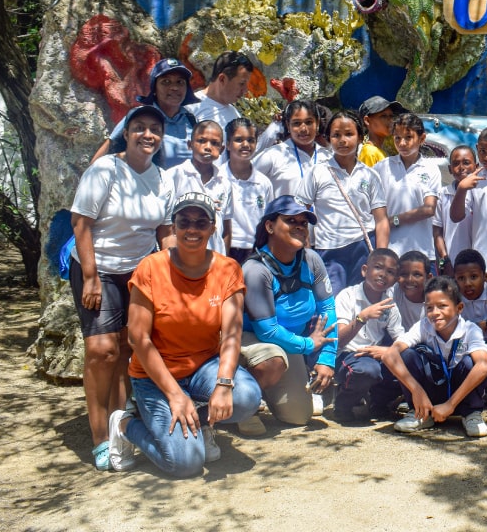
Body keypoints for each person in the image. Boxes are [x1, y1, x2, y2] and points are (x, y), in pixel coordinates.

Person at [106, 192, 262, 476]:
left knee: (247, 397)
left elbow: (231, 333)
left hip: (204, 366)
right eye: (184, 222)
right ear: (173, 227)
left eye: (201, 223)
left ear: (212, 228)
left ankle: (199, 422)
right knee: (185, 464)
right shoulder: (151, 268)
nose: (192, 229)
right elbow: (138, 339)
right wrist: (175, 394)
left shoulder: (228, 269)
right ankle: (125, 425)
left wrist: (224, 384)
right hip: (155, 376)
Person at [69, 104, 174, 470]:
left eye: (154, 129)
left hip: (137, 271)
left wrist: (175, 276)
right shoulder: (106, 169)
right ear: (127, 134)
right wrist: (91, 276)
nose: (148, 135)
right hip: (95, 267)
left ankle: (121, 428)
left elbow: (164, 232)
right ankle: (100, 437)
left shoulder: (163, 178)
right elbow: (80, 223)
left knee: (130, 350)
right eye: (140, 128)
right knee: (102, 351)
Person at [239, 197, 338, 432]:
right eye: (290, 220)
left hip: (290, 344)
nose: (299, 227)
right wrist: (307, 345)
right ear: (270, 226)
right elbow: (267, 330)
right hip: (251, 341)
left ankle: (263, 392)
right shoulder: (256, 270)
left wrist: (326, 358)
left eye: (303, 223)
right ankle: (242, 402)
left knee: (299, 417)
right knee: (272, 359)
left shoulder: (312, 260)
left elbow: (328, 310)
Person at [381, 276, 487, 437]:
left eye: (442, 306)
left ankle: (471, 414)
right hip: (430, 394)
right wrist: (417, 390)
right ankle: (421, 413)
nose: (435, 313)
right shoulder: (423, 326)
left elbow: (484, 366)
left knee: (471, 363)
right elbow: (389, 355)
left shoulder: (470, 330)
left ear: (459, 308)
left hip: (459, 396)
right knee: (407, 355)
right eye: (429, 308)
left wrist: (450, 405)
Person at [294, 109, 390, 293]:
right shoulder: (317, 173)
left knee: (362, 303)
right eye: (336, 135)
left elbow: (381, 219)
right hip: (329, 252)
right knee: (333, 304)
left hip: (364, 248)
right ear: (328, 139)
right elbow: (299, 213)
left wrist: (380, 256)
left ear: (360, 137)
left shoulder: (370, 175)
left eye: (349, 134)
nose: (343, 140)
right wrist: (306, 251)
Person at [332, 248, 405, 422]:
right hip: (347, 354)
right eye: (378, 267)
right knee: (367, 370)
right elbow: (339, 341)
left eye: (390, 272)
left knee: (407, 361)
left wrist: (386, 351)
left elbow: (400, 338)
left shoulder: (390, 304)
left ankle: (378, 404)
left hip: (372, 356)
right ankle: (343, 404)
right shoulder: (347, 296)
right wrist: (362, 317)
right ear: (365, 270)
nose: (383, 275)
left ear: (395, 280)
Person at [92, 58, 198, 169]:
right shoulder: (139, 117)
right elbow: (98, 163)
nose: (174, 87)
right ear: (154, 89)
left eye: (180, 82)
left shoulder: (192, 120)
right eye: (166, 82)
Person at [374, 113, 441, 258]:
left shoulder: (430, 168)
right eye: (397, 138)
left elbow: (429, 209)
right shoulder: (382, 167)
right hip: (390, 251)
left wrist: (393, 220)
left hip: (421, 252)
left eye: (408, 137)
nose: (402, 143)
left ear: (422, 138)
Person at [163, 120, 233, 254]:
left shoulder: (224, 182)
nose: (208, 147)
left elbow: (227, 228)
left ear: (222, 149)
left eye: (214, 143)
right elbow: (165, 226)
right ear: (190, 145)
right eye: (201, 141)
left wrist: (224, 259)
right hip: (183, 256)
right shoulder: (174, 176)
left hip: (215, 258)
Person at [449, 126, 487, 273]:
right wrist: (462, 189)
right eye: (482, 151)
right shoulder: (473, 179)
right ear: (477, 148)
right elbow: (456, 217)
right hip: (481, 259)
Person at [253, 99, 330, 198]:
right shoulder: (273, 155)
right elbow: (243, 183)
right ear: (288, 125)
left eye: (309, 122)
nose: (303, 129)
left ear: (317, 123)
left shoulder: (328, 158)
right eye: (296, 123)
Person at [224, 118, 274, 264]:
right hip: (225, 249)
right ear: (227, 144)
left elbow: (268, 220)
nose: (245, 145)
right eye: (239, 140)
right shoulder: (218, 179)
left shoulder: (264, 183)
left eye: (251, 140)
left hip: (256, 251)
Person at [434, 145, 476, 274]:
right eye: (456, 163)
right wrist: (445, 261)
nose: (461, 167)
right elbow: (437, 233)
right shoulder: (443, 194)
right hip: (452, 263)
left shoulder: (482, 193)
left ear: (477, 166)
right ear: (450, 169)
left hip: (478, 262)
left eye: (466, 163)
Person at [453, 248, 487, 348]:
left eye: (473, 277)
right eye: (461, 278)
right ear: (455, 280)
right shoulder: (454, 294)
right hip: (471, 343)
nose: (467, 283)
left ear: (485, 276)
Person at [192, 51, 254, 131]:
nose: (245, 90)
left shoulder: (234, 113)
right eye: (242, 83)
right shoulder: (192, 108)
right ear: (222, 79)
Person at [358, 95, 406, 167]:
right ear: (367, 121)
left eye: (391, 116)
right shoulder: (369, 152)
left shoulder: (382, 151)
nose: (390, 120)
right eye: (383, 116)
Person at [392, 250, 430, 332]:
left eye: (417, 274)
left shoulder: (435, 300)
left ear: (429, 278)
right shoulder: (395, 291)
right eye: (404, 274)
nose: (410, 280)